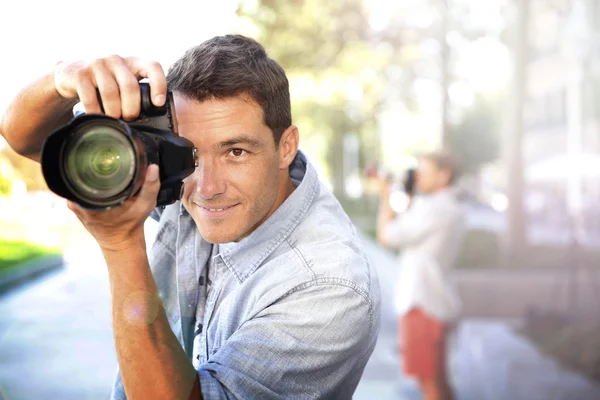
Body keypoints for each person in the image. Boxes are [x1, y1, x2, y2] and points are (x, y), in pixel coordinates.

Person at [0, 34, 381, 399]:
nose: (205, 187)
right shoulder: (181, 173)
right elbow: (23, 138)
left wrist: (120, 245)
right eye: (190, 153)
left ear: (286, 147)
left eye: (235, 152)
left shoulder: (330, 287)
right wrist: (63, 77)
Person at [376, 151, 466, 400]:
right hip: (435, 301)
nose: (418, 177)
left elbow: (387, 235)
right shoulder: (446, 206)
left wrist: (385, 195)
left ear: (443, 175)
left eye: (424, 172)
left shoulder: (435, 208)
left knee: (428, 384)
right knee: (439, 379)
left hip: (422, 304)